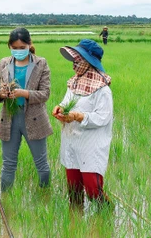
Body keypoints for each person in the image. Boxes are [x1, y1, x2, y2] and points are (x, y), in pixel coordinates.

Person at [52, 39, 113, 210]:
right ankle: (76, 224)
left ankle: (108, 215)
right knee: (74, 191)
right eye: (74, 61)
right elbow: (67, 102)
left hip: (90, 145)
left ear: (88, 62)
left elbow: (103, 117)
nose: (74, 65)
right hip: (71, 141)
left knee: (93, 191)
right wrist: (60, 109)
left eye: (77, 61)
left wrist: (78, 116)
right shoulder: (74, 82)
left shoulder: (102, 89)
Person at [0, 27, 53, 192]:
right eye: (15, 48)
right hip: (10, 118)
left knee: (41, 163)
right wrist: (3, 94)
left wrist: (24, 93)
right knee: (8, 164)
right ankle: (6, 199)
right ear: (9, 47)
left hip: (34, 118)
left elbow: (45, 94)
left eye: (22, 48)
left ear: (29, 44)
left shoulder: (41, 63)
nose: (18, 51)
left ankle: (45, 197)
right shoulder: (4, 63)